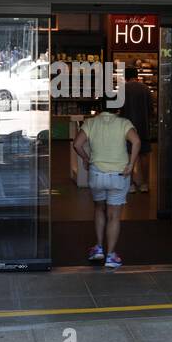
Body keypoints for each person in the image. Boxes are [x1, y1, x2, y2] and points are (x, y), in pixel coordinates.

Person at [73, 100, 140, 269]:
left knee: (98, 208)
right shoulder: (124, 123)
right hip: (119, 175)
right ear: (118, 107)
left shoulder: (90, 122)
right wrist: (131, 164)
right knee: (114, 216)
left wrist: (86, 158)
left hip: (97, 175)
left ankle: (98, 248)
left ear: (100, 107)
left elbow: (77, 144)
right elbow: (137, 141)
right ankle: (111, 256)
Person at [120, 66, 153, 192]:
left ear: (126, 77)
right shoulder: (145, 89)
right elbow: (151, 110)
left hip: (127, 128)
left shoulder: (123, 89)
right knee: (144, 155)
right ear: (137, 76)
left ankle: (130, 184)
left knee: (128, 155)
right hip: (143, 127)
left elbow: (120, 109)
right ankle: (144, 184)